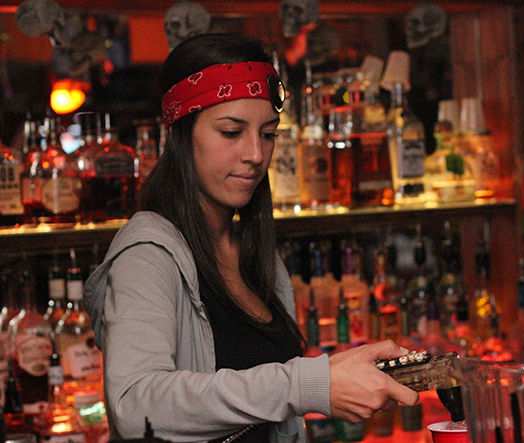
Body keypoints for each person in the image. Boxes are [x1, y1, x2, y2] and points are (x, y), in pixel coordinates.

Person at [82, 33, 418, 442]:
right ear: (180, 136)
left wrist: (337, 374)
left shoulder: (255, 254)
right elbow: (136, 404)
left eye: (268, 133)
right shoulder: (149, 253)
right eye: (231, 132)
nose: (256, 154)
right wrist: (307, 384)